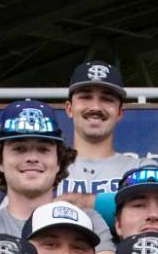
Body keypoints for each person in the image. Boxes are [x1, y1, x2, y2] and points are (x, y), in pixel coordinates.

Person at [0, 100, 116, 254]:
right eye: (19, 149)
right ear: (0, 161)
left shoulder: (88, 219)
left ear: (59, 161)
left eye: (43, 149)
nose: (32, 158)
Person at [60, 61, 140, 209]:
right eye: (86, 97)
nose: (96, 107)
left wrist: (78, 201)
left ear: (120, 113)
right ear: (69, 109)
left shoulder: (139, 169)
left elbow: (148, 212)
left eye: (107, 99)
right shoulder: (46, 168)